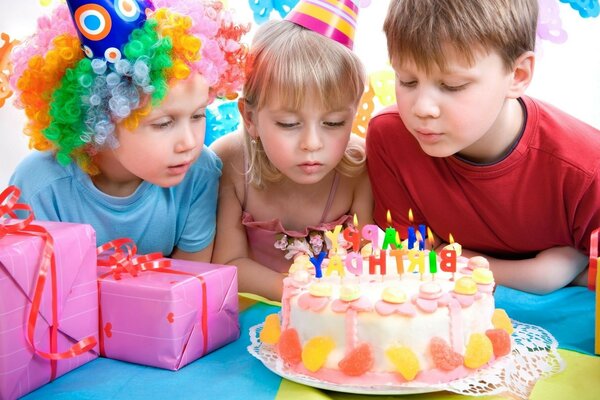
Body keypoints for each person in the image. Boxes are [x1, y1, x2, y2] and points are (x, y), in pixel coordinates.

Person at [367, 0, 600, 294]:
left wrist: (457, 259)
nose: (422, 108)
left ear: (518, 75)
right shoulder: (391, 137)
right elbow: (414, 263)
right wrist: (544, 274)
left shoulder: (586, 168)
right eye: (407, 80)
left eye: (452, 85)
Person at [8, 0, 248, 261]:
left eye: (198, 115)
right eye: (163, 123)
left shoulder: (199, 173)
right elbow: (29, 292)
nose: (189, 143)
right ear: (98, 119)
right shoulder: (40, 186)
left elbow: (191, 288)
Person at [210, 0, 373, 300]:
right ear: (250, 117)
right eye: (288, 124)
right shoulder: (229, 162)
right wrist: (302, 294)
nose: (312, 143)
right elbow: (228, 263)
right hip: (253, 319)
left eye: (334, 122)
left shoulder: (359, 167)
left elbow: (370, 261)